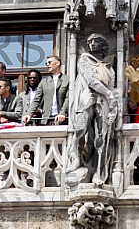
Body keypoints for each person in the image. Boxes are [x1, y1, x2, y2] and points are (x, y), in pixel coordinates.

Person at [66, 34, 119, 186]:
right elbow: (91, 80)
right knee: (80, 129)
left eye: (96, 42)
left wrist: (114, 109)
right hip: (86, 99)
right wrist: (109, 94)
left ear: (104, 46)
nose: (92, 44)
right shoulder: (84, 60)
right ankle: (75, 157)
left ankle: (99, 173)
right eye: (90, 42)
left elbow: (112, 89)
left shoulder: (109, 69)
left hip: (103, 104)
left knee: (101, 139)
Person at [24, 55, 69, 125]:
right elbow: (36, 100)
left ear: (58, 63)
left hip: (63, 120)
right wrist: (29, 114)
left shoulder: (67, 80)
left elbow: (68, 98)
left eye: (50, 62)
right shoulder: (44, 82)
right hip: (46, 120)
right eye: (46, 63)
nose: (47, 65)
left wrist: (63, 113)